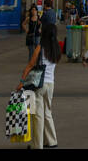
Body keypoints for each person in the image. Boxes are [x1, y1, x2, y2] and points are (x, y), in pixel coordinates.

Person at [18, 20, 61, 149]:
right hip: (50, 85)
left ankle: (37, 145)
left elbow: (30, 65)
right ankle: (52, 141)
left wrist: (21, 82)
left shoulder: (40, 47)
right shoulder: (56, 48)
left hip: (39, 84)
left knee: (38, 116)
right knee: (48, 113)